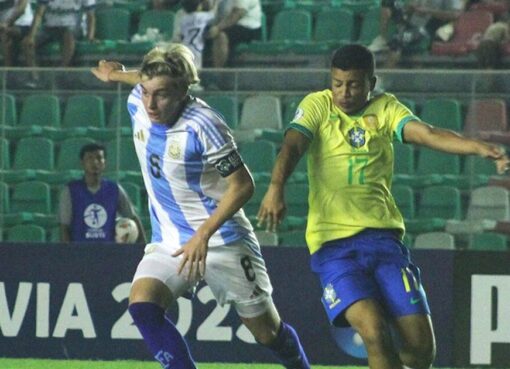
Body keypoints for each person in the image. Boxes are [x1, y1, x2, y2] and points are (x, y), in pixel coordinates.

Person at [257, 44, 509, 369]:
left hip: (385, 244)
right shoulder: (317, 106)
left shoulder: (387, 108)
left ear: (371, 83)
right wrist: (276, 187)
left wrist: (478, 147)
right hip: (334, 249)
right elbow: (292, 145)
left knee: (421, 351)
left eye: (354, 85)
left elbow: (428, 134)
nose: (344, 92)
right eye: (337, 84)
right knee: (374, 332)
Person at [90, 43, 310, 369]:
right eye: (147, 91)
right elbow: (145, 78)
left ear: (182, 90)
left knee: (267, 333)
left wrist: (203, 235)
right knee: (143, 307)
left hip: (221, 239)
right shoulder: (138, 97)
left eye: (161, 95)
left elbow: (243, 185)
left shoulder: (204, 125)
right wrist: (117, 74)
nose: (150, 102)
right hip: (171, 241)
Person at [59, 143, 146, 244]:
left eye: (99, 158)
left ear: (105, 163)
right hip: (79, 252)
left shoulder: (115, 189)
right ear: (82, 163)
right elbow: (64, 226)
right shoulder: (70, 191)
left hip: (108, 253)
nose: (95, 162)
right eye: (90, 158)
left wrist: (144, 249)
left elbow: (133, 217)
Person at [368, 0, 466, 66]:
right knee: (389, 3)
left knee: (397, 41)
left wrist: (428, 11)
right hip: (413, 23)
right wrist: (411, 7)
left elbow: (455, 15)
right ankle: (382, 39)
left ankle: (382, 81)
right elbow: (411, 7)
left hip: (433, 29)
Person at [22, 0, 96, 84]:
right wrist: (31, 36)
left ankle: (61, 71)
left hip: (73, 27)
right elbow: (39, 14)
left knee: (69, 35)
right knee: (26, 42)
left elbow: (91, 17)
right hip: (50, 27)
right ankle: (34, 76)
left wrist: (90, 37)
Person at [206, 0, 262, 67]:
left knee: (221, 36)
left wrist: (218, 28)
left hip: (248, 27)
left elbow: (238, 13)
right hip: (228, 25)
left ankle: (218, 72)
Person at [172, 0, 215, 69]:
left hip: (185, 46)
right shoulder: (202, 16)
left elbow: (178, 37)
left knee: (185, 68)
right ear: (199, 6)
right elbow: (214, 14)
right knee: (196, 69)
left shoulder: (183, 19)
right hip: (196, 47)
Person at [0, 0, 33, 66]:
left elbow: (21, 10)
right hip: (4, 26)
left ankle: (7, 72)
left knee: (4, 34)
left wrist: (6, 24)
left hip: (23, 25)